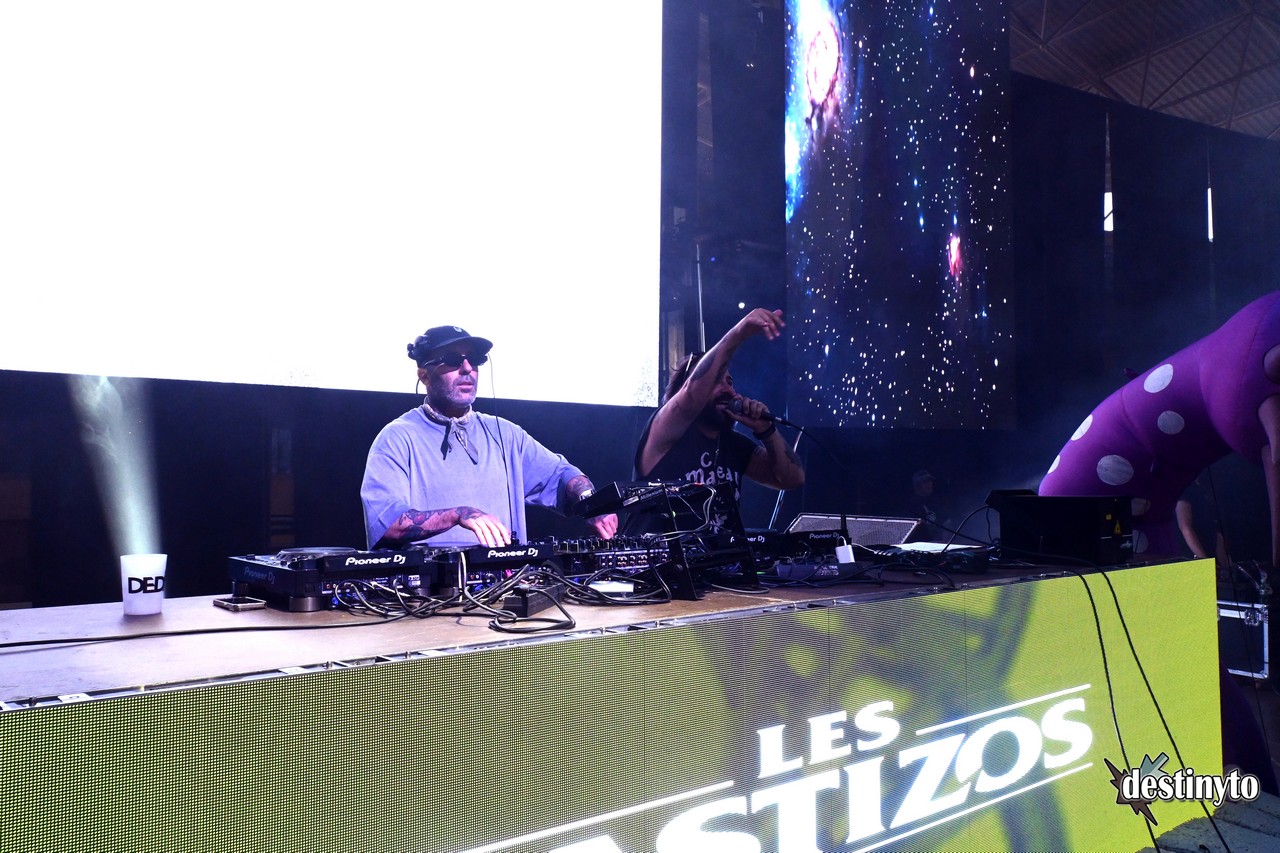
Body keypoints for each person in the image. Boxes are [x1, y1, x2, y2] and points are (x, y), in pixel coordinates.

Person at [361, 325, 617, 549]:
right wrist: (459, 514)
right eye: (452, 359)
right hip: (433, 590)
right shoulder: (396, 438)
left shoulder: (506, 434)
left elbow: (562, 474)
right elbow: (386, 523)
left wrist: (592, 503)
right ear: (424, 375)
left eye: (474, 359)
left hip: (508, 586)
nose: (467, 368)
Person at [632, 308, 805, 531]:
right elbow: (692, 393)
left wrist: (767, 431)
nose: (728, 390)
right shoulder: (665, 429)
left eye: (730, 382)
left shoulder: (734, 445)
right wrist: (739, 332)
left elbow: (791, 479)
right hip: (661, 553)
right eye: (716, 382)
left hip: (720, 553)